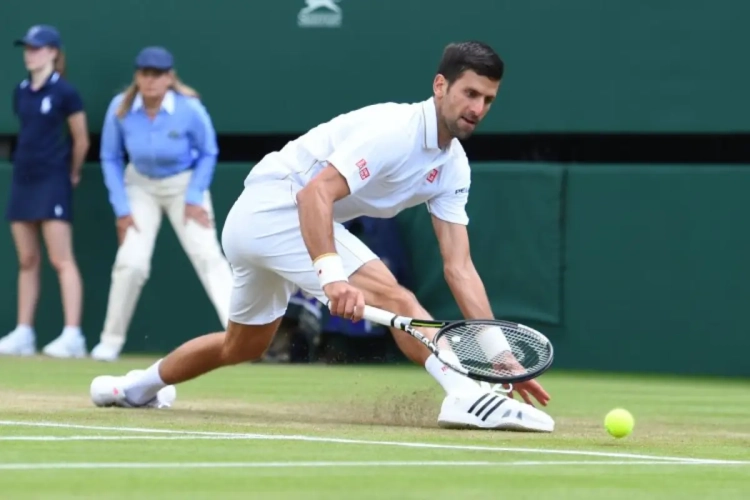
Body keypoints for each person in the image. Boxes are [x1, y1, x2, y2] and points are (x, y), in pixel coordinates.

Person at [90, 41, 554, 432]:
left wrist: (502, 357)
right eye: (470, 93)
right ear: (440, 86)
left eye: (487, 100)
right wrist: (332, 278)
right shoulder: (395, 131)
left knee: (242, 346)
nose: (476, 109)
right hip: (276, 204)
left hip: (258, 223)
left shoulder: (453, 168)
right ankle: (465, 396)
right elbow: (316, 193)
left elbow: (459, 267)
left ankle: (132, 388)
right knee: (397, 298)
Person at [90, 46, 232, 362]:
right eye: (145, 73)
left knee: (208, 256)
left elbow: (208, 151)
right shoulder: (121, 108)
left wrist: (195, 196)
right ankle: (110, 342)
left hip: (184, 186)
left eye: (158, 74)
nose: (151, 80)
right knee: (131, 262)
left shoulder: (189, 108)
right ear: (137, 77)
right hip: (139, 187)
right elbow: (110, 157)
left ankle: (240, 338)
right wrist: (122, 209)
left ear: (169, 78)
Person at [0, 25, 89, 358]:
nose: (30, 53)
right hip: (23, 179)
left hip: (53, 180)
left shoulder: (66, 92)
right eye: (27, 48)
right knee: (27, 259)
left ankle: (73, 335)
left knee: (60, 259)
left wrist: (73, 173)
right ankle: (24, 333)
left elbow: (80, 139)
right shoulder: (20, 91)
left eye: (37, 48)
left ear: (53, 52)